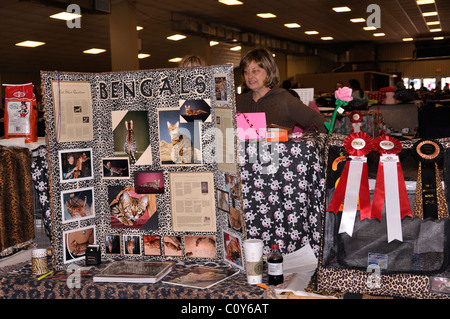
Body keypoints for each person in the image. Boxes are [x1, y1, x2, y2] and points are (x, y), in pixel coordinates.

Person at [236, 47, 327, 133]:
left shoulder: (284, 100)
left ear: (269, 72)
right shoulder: (239, 101)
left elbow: (321, 124)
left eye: (255, 71)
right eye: (246, 71)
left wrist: (300, 143)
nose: (250, 76)